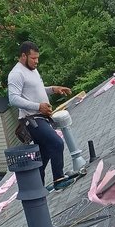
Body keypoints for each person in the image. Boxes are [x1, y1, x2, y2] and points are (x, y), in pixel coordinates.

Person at [7, 41, 76, 191]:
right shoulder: (16, 74)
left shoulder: (32, 70)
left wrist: (53, 89)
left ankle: (38, 188)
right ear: (23, 56)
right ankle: (58, 179)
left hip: (40, 117)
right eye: (33, 58)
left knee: (43, 155)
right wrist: (39, 106)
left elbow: (35, 89)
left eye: (38, 58)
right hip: (31, 119)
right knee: (57, 143)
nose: (37, 61)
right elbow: (13, 99)